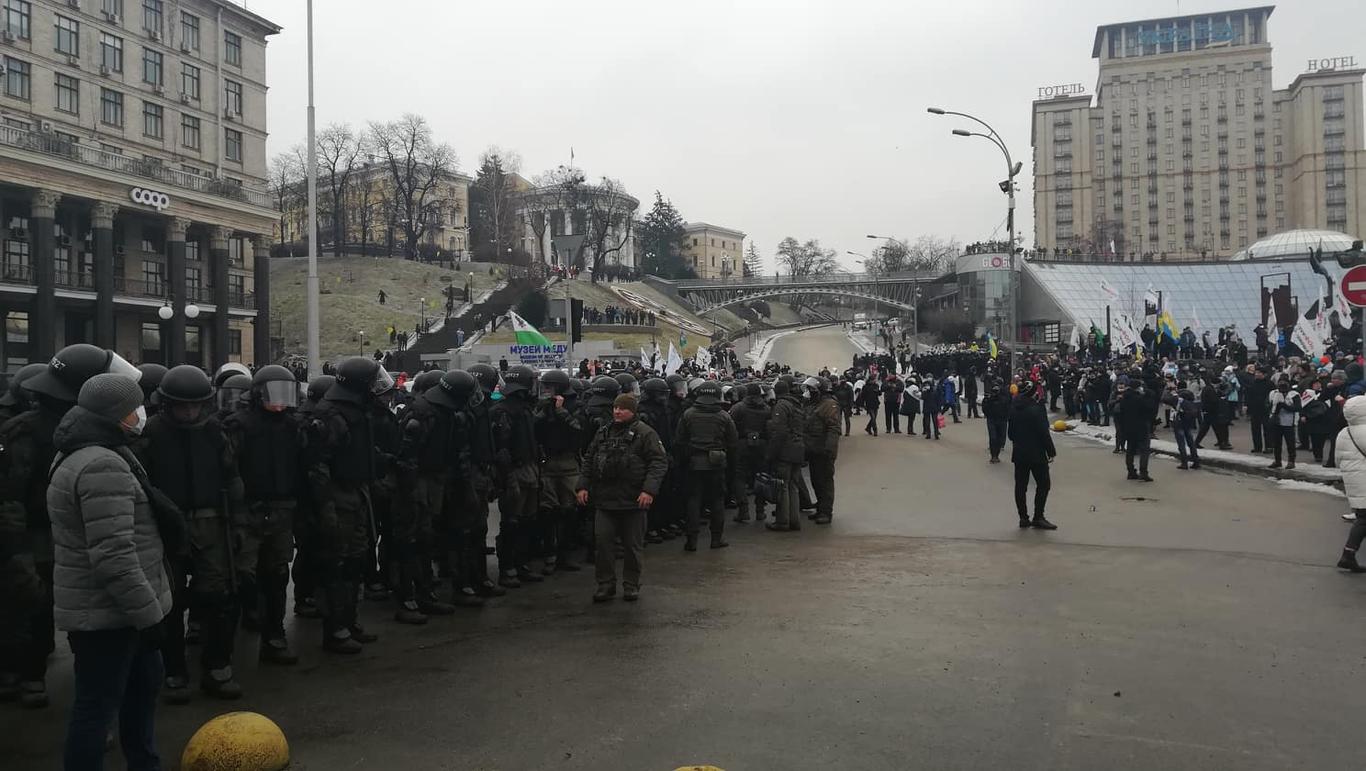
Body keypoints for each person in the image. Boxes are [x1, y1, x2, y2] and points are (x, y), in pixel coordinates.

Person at [47, 373, 173, 770]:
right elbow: (114, 556)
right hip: (110, 614)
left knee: (140, 690)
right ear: (115, 415)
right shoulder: (102, 464)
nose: (142, 413)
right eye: (134, 407)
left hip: (112, 609)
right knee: (95, 709)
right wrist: (149, 616)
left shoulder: (87, 449)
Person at [136, 364, 247, 700]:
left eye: (194, 405)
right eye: (181, 405)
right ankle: (174, 670)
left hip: (212, 522)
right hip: (166, 525)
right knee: (169, 602)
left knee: (220, 595)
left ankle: (217, 666)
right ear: (167, 403)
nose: (188, 411)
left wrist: (238, 522)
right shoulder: (150, 434)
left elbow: (232, 477)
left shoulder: (214, 432)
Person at [304, 357, 391, 654]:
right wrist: (325, 507)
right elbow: (318, 466)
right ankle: (335, 629)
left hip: (357, 491)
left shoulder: (355, 410)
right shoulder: (331, 415)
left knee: (355, 561)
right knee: (336, 565)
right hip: (338, 496)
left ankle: (349, 621)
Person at [221, 365, 304, 666]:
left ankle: (274, 636)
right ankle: (225, 647)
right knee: (241, 576)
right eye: (273, 392)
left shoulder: (294, 425)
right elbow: (227, 471)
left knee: (277, 575)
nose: (280, 401)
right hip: (248, 512)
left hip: (282, 509)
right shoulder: (239, 425)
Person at [578, 393, 668, 602]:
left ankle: (631, 584)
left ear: (633, 411)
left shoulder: (645, 433)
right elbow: (589, 460)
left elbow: (658, 463)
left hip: (633, 501)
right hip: (605, 501)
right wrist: (582, 486)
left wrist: (648, 491)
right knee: (603, 545)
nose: (617, 411)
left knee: (632, 547)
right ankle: (605, 584)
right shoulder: (603, 433)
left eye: (623, 408)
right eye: (615, 407)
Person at [490, 365, 542, 586]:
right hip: (514, 471)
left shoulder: (524, 409)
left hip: (530, 468)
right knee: (511, 521)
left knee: (527, 520)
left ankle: (521, 564)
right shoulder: (503, 411)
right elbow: (501, 449)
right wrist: (508, 477)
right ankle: (507, 568)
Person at [674, 381, 739, 551]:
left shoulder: (688, 414)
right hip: (717, 463)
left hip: (694, 463)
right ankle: (716, 539)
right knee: (717, 501)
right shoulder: (724, 416)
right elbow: (733, 441)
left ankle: (691, 540)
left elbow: (679, 440)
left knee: (693, 501)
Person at [1007, 381, 1057, 530]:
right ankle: (1038, 516)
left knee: (1020, 486)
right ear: (1034, 393)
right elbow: (1043, 432)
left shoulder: (1014, 408)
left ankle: (1023, 518)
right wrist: (1051, 451)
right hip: (1037, 454)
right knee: (1043, 484)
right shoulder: (1037, 409)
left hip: (1019, 453)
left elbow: (1010, 434)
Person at [765, 379, 805, 533]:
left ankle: (782, 522)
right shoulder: (796, 404)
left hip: (785, 451)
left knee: (782, 486)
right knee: (793, 487)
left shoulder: (781, 406)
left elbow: (779, 432)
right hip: (798, 448)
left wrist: (770, 453)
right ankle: (794, 521)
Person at [729, 383, 771, 524]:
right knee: (760, 478)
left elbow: (730, 426)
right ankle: (760, 511)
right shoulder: (766, 408)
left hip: (742, 445)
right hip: (761, 446)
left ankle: (743, 510)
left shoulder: (738, 408)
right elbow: (770, 428)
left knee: (739, 477)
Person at [1335, 397, 1366, 572]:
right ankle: (1348, 555)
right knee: (1363, 520)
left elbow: (1337, 459)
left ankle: (1348, 554)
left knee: (1362, 517)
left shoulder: (1344, 432)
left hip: (1354, 482)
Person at [804, 377, 841, 525]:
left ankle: (826, 512)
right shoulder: (815, 404)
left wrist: (829, 450)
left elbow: (833, 429)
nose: (809, 393)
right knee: (816, 481)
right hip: (813, 448)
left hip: (823, 450)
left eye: (811, 390)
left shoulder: (829, 404)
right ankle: (820, 508)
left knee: (825, 482)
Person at [1268, 376, 1301, 469]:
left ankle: (1291, 461)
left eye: (1284, 383)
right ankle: (1277, 460)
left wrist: (1284, 406)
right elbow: (1267, 405)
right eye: (1280, 382)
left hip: (1289, 422)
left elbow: (1298, 408)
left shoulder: (1294, 394)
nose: (1282, 385)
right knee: (1276, 443)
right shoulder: (1273, 393)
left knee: (1290, 443)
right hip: (1276, 422)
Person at [1245, 367, 1273, 454]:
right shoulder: (1253, 383)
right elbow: (1249, 395)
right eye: (1256, 372)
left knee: (1267, 429)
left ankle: (1269, 446)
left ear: (1264, 374)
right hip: (1255, 409)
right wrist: (1247, 407)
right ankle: (1257, 447)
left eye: (1259, 373)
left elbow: (1273, 396)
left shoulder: (1270, 384)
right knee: (1255, 429)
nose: (1256, 374)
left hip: (1266, 410)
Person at [982, 380, 1010, 463]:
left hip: (1002, 419)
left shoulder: (1004, 397)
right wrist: (988, 414)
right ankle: (993, 456)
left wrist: (1006, 416)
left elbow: (1008, 406)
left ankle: (996, 455)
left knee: (1000, 438)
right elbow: (984, 407)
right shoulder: (989, 398)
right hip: (992, 420)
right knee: (993, 437)